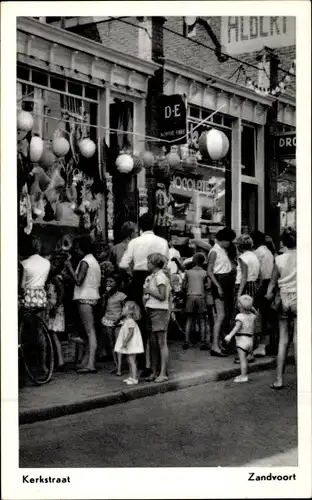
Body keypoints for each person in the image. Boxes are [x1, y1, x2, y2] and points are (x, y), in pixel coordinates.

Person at [119, 212, 169, 378]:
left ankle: (143, 362)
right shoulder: (162, 242)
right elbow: (167, 265)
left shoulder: (134, 242)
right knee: (157, 324)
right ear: (154, 224)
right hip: (160, 278)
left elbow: (123, 264)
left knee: (139, 322)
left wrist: (132, 275)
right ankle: (158, 365)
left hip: (139, 278)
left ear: (139, 226)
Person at [265, 228, 297, 390]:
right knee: (298, 340)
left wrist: (267, 297)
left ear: (283, 243)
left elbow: (271, 285)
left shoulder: (278, 259)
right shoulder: (304, 257)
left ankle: (279, 379)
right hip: (299, 299)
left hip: (283, 299)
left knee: (283, 340)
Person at [65, 235, 101, 374]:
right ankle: (87, 361)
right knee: (89, 332)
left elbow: (78, 280)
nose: (76, 251)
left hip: (85, 298)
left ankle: (91, 363)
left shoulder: (85, 261)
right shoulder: (94, 261)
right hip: (93, 297)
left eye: (77, 248)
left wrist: (69, 267)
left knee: (90, 332)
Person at [207, 227, 236, 357]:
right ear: (224, 240)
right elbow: (209, 271)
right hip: (220, 281)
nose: (230, 243)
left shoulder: (221, 250)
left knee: (223, 315)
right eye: (229, 241)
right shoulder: (214, 251)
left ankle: (218, 344)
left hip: (224, 281)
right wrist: (218, 286)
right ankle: (215, 345)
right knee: (221, 315)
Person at [143, 253, 171, 382]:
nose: (147, 264)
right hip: (151, 309)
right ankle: (154, 371)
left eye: (148, 262)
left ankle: (163, 373)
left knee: (161, 342)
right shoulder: (151, 277)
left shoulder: (160, 277)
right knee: (153, 343)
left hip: (159, 310)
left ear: (154, 264)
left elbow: (162, 296)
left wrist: (149, 291)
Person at [251, 231, 275, 357]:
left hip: (263, 284)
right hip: (269, 284)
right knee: (267, 315)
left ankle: (262, 345)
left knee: (261, 315)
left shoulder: (257, 253)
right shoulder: (267, 251)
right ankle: (267, 344)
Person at [224, 295, 257, 383]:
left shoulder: (239, 316)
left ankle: (244, 376)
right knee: (245, 359)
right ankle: (244, 374)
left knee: (242, 360)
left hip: (242, 340)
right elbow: (253, 330)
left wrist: (230, 335)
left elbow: (236, 328)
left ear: (240, 306)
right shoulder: (253, 316)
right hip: (250, 340)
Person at [101, 274, 127, 375]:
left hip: (119, 322)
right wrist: (104, 298)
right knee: (112, 344)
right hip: (108, 320)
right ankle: (116, 365)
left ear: (117, 283)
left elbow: (125, 309)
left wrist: (119, 318)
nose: (108, 284)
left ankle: (120, 367)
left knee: (118, 344)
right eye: (107, 282)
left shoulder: (121, 295)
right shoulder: (106, 295)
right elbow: (103, 307)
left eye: (111, 282)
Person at [183, 253, 210, 351]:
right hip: (201, 296)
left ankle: (187, 341)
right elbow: (207, 286)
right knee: (202, 320)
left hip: (190, 296)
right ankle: (203, 342)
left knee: (189, 319)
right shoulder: (205, 273)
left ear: (193, 261)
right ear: (203, 262)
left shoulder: (188, 272)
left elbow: (184, 286)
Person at [114, 301, 144, 386]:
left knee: (132, 361)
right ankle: (131, 376)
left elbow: (131, 332)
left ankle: (134, 378)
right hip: (129, 344)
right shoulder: (127, 320)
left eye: (124, 308)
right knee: (129, 360)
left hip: (131, 344)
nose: (122, 309)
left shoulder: (130, 321)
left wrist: (125, 341)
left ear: (130, 311)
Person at [19, 235, 51, 310]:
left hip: (27, 299)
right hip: (41, 299)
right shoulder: (47, 263)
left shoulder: (24, 263)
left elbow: (22, 286)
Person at [45, 260, 66, 370]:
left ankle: (60, 361)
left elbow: (61, 293)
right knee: (53, 335)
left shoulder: (56, 278)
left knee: (54, 335)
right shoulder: (53, 278)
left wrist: (56, 306)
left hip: (55, 308)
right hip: (53, 307)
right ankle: (59, 360)